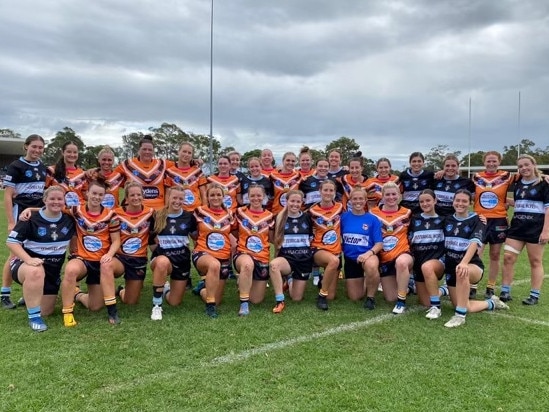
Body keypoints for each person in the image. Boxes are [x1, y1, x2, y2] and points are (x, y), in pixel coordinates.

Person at [6, 186, 75, 331]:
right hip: (25, 266)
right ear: (44, 200)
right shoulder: (30, 219)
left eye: (59, 199)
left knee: (47, 311)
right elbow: (11, 242)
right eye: (52, 199)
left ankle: (30, 295)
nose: (56, 202)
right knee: (36, 271)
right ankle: (34, 318)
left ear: (64, 201)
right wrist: (28, 259)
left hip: (52, 272)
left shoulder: (69, 220)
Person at [58, 179, 122, 327]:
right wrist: (30, 210)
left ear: (104, 196)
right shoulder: (76, 210)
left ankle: (78, 295)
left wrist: (109, 255)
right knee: (70, 269)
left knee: (94, 306)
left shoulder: (111, 216)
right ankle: (67, 312)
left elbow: (116, 241)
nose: (96, 197)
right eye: (94, 193)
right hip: (83, 259)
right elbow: (53, 207)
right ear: (87, 193)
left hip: (101, 261)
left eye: (100, 194)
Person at [442, 189, 509, 328]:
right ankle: (491, 303)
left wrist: (464, 262)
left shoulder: (477, 220)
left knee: (462, 271)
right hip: (451, 269)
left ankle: (459, 317)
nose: (460, 203)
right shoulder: (447, 219)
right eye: (457, 200)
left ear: (471, 203)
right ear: (453, 201)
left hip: (472, 266)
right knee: (464, 305)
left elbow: (474, 242)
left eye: (464, 201)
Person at [1, 134, 48, 309]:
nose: (37, 150)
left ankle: (26, 293)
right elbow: (7, 195)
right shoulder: (16, 166)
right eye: (34, 146)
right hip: (20, 212)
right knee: (15, 254)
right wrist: (11, 221)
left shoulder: (42, 167)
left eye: (40, 147)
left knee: (31, 252)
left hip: (36, 215)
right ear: (26, 147)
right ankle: (4, 293)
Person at [500, 155, 549, 305]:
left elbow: (547, 209)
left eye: (526, 165)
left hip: (536, 228)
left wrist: (546, 231)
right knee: (508, 258)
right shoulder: (518, 183)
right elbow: (522, 202)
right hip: (517, 228)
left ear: (534, 164)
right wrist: (505, 201)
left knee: (535, 261)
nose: (524, 168)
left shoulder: (544, 183)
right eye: (520, 166)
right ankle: (505, 291)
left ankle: (534, 295)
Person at [471, 151, 516, 298]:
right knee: (476, 253)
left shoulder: (507, 176)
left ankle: (490, 286)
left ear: (499, 162)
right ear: (484, 162)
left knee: (495, 254)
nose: (491, 164)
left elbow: (529, 174)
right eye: (488, 161)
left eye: (494, 161)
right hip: (480, 219)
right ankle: (473, 285)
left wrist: (544, 176)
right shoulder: (476, 177)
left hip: (499, 220)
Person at [149, 186, 197, 320]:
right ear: (168, 198)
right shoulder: (157, 215)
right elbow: (151, 241)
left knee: (175, 302)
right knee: (162, 262)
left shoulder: (189, 217)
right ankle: (156, 305)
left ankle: (165, 288)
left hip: (182, 261)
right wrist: (159, 254)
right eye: (174, 197)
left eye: (181, 198)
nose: (177, 201)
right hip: (162, 259)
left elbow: (196, 238)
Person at [232, 185, 277, 315]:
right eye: (252, 195)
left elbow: (272, 238)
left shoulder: (269, 216)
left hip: (262, 257)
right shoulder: (240, 212)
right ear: (248, 197)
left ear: (263, 197)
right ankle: (244, 304)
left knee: (256, 300)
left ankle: (243, 281)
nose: (256, 198)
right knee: (247, 265)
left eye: (259, 195)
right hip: (243, 254)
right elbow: (234, 231)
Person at [370, 182, 414, 314]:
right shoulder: (373, 213)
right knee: (390, 298)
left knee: (401, 263)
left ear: (399, 195)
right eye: (387, 194)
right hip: (384, 259)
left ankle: (401, 301)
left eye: (394, 194)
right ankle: (409, 287)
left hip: (403, 254)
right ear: (382, 196)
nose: (391, 197)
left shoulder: (407, 213)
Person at [192, 184, 235, 318]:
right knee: (213, 264)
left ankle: (202, 290)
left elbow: (235, 234)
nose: (215, 198)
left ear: (223, 197)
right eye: (212, 195)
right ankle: (210, 307)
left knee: (217, 300)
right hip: (202, 253)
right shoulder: (199, 211)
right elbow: (193, 232)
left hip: (223, 256)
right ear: (207, 197)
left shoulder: (230, 214)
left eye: (218, 195)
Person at [110, 182, 155, 305]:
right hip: (119, 258)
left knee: (130, 302)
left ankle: (121, 291)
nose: (136, 198)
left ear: (143, 196)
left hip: (138, 259)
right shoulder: (115, 214)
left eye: (139, 194)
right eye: (132, 195)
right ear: (127, 198)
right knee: (106, 266)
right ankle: (106, 298)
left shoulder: (151, 213)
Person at [340, 187, 383, 309]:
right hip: (350, 259)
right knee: (355, 297)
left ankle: (371, 297)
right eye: (355, 199)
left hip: (367, 256)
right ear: (350, 200)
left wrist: (368, 254)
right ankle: (368, 279)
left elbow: (379, 243)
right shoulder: (343, 217)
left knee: (371, 265)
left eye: (361, 199)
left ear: (365, 201)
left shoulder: (372, 219)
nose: (358, 201)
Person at [408, 190, 446, 319]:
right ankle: (443, 290)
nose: (425, 203)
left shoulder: (444, 220)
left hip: (437, 262)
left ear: (435, 201)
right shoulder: (413, 219)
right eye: (421, 201)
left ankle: (436, 307)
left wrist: (480, 218)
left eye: (428, 200)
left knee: (428, 267)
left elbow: (463, 220)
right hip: (419, 263)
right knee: (425, 302)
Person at [269, 190, 313, 303]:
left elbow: (312, 237)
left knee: (296, 298)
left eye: (298, 201)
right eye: (292, 201)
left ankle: (289, 279)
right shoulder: (278, 217)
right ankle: (280, 300)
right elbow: (272, 238)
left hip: (304, 260)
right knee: (274, 265)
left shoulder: (307, 217)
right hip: (287, 259)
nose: (295, 204)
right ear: (286, 201)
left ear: (302, 202)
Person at [113, 135, 169, 209]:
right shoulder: (127, 164)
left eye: (150, 150)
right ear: (139, 150)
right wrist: (96, 171)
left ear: (153, 151)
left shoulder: (163, 164)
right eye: (144, 149)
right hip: (135, 209)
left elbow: (182, 166)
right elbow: (109, 175)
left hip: (158, 210)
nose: (147, 152)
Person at [313, 180, 344, 310]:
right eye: (325, 190)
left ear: (335, 192)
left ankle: (323, 280)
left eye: (331, 190)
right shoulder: (312, 211)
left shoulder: (341, 208)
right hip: (319, 250)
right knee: (333, 261)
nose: (328, 193)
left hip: (336, 251)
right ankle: (322, 296)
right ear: (320, 191)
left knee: (332, 296)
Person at [165, 142, 207, 212]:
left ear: (192, 155)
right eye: (184, 151)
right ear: (178, 152)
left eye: (189, 153)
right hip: (177, 212)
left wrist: (204, 211)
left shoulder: (198, 171)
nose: (186, 155)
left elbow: (203, 194)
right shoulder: (169, 172)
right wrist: (167, 212)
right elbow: (167, 195)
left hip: (195, 211)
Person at [47, 140, 87, 207]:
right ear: (63, 152)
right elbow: (45, 192)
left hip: (78, 210)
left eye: (75, 152)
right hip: (58, 211)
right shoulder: (51, 170)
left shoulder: (82, 173)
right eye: (69, 152)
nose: (72, 155)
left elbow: (85, 194)